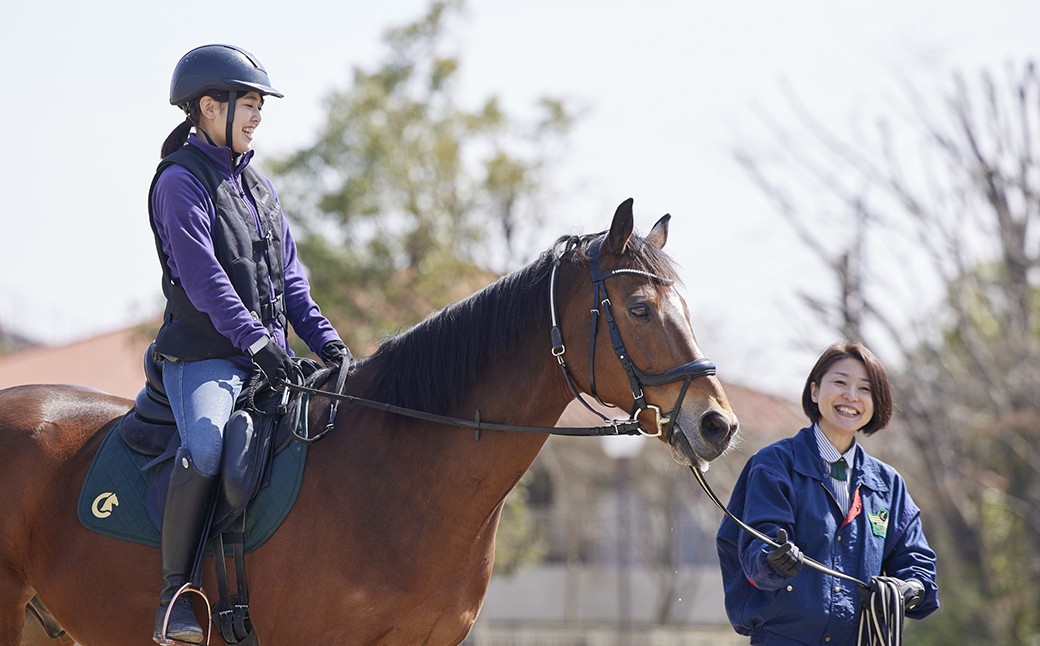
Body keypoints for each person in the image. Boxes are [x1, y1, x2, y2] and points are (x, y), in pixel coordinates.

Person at [148, 44, 351, 644]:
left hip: (264, 360)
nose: (258, 116)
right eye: (250, 104)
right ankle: (175, 595)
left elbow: (290, 281)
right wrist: (259, 342)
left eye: (261, 105)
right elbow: (205, 279)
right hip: (204, 358)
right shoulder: (180, 182)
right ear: (210, 107)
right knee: (208, 451)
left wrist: (330, 345)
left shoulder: (260, 188)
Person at [716, 341, 938, 645]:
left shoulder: (888, 484)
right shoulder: (774, 466)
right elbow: (756, 554)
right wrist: (774, 560)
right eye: (840, 382)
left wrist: (910, 588)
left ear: (877, 403)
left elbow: (916, 562)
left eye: (865, 389)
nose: (851, 396)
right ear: (815, 391)